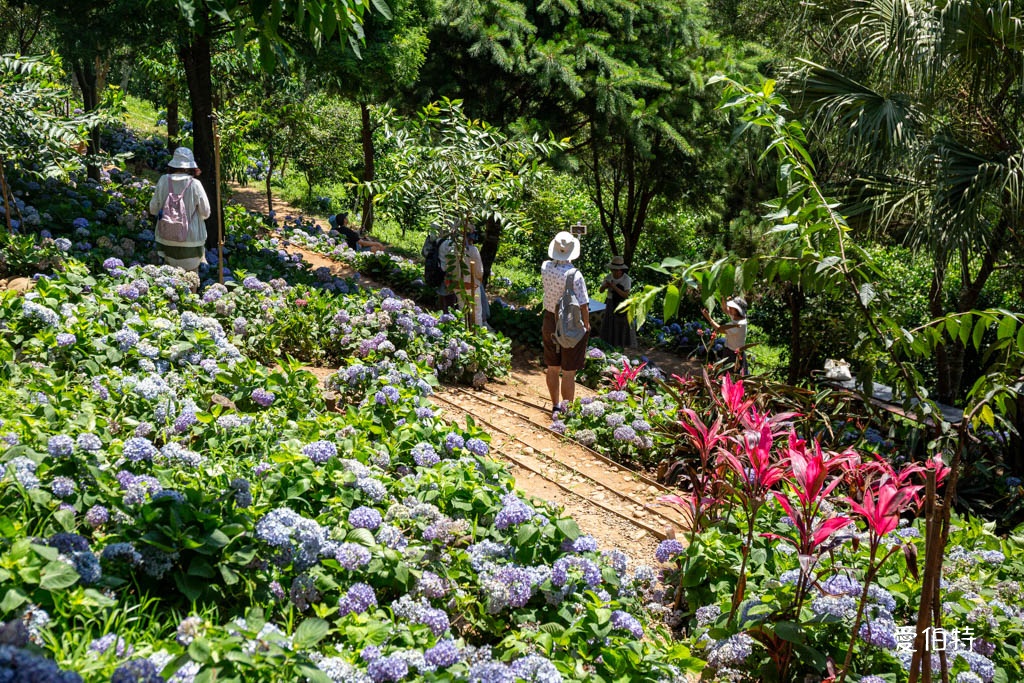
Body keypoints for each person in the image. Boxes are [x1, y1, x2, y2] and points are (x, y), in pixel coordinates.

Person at [541, 230, 590, 416]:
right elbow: (584, 305)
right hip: (570, 325)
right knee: (569, 371)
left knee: (552, 367)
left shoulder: (545, 267)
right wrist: (586, 325)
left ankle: (555, 405)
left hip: (550, 320)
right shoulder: (575, 275)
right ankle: (566, 410)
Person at [148, 147, 210, 273]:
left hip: (166, 240)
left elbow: (153, 209)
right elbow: (206, 212)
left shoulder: (163, 180)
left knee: (170, 280)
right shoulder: (195, 184)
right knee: (191, 279)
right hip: (191, 241)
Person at [439, 227, 485, 326]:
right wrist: (478, 282)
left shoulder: (452, 250)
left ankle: (464, 332)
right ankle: (477, 335)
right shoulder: (473, 250)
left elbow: (448, 268)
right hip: (471, 284)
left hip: (457, 285)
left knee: (462, 309)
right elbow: (479, 272)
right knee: (476, 311)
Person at [701, 296, 749, 375]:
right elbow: (725, 309)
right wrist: (723, 297)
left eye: (732, 307)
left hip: (734, 354)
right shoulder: (738, 317)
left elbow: (719, 329)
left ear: (737, 310)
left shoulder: (739, 324)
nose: (729, 308)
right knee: (728, 374)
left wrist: (709, 318)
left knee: (733, 376)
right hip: (730, 351)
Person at [598, 255, 636, 348]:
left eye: (617, 270)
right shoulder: (608, 277)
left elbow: (625, 295)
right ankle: (610, 343)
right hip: (610, 302)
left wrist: (614, 287)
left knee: (621, 325)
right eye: (613, 270)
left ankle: (621, 344)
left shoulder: (626, 279)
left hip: (621, 304)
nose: (615, 272)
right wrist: (606, 286)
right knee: (610, 324)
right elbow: (601, 290)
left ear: (621, 270)